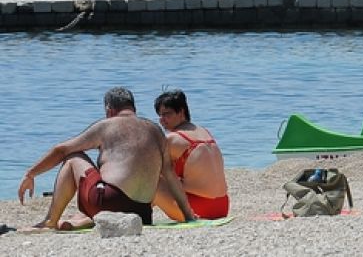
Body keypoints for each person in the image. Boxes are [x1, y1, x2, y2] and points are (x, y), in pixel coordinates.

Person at [18, 87, 194, 230]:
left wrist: (31, 174)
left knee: (73, 157)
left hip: (108, 202)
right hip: (143, 213)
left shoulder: (106, 126)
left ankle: (50, 220)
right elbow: (170, 176)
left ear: (109, 110)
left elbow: (61, 150)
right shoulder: (156, 131)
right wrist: (188, 216)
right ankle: (83, 219)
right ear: (133, 108)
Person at [152, 90, 229, 221]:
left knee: (153, 179)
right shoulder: (204, 131)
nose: (162, 120)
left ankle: (137, 212)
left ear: (181, 112)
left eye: (166, 115)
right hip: (222, 206)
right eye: (160, 115)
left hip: (199, 208)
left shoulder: (173, 139)